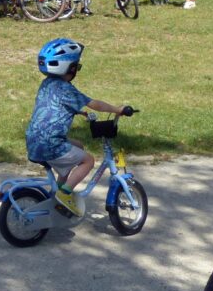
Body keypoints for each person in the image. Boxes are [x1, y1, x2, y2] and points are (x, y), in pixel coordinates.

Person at [26, 38, 133, 217]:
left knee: (78, 146)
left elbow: (53, 106)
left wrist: (79, 112)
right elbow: (95, 104)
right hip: (52, 144)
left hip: (34, 140)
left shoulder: (46, 84)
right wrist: (118, 110)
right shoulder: (67, 89)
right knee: (88, 160)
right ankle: (64, 193)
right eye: (76, 67)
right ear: (70, 68)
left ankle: (59, 188)